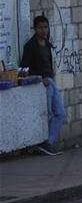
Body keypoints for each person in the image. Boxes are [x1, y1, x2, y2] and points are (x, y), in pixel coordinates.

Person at [19, 15, 66, 156]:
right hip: (41, 85)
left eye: (45, 27)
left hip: (50, 81)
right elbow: (23, 70)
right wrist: (40, 78)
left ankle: (48, 143)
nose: (43, 30)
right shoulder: (30, 46)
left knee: (60, 113)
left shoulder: (47, 43)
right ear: (35, 29)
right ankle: (41, 143)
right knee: (46, 114)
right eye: (40, 28)